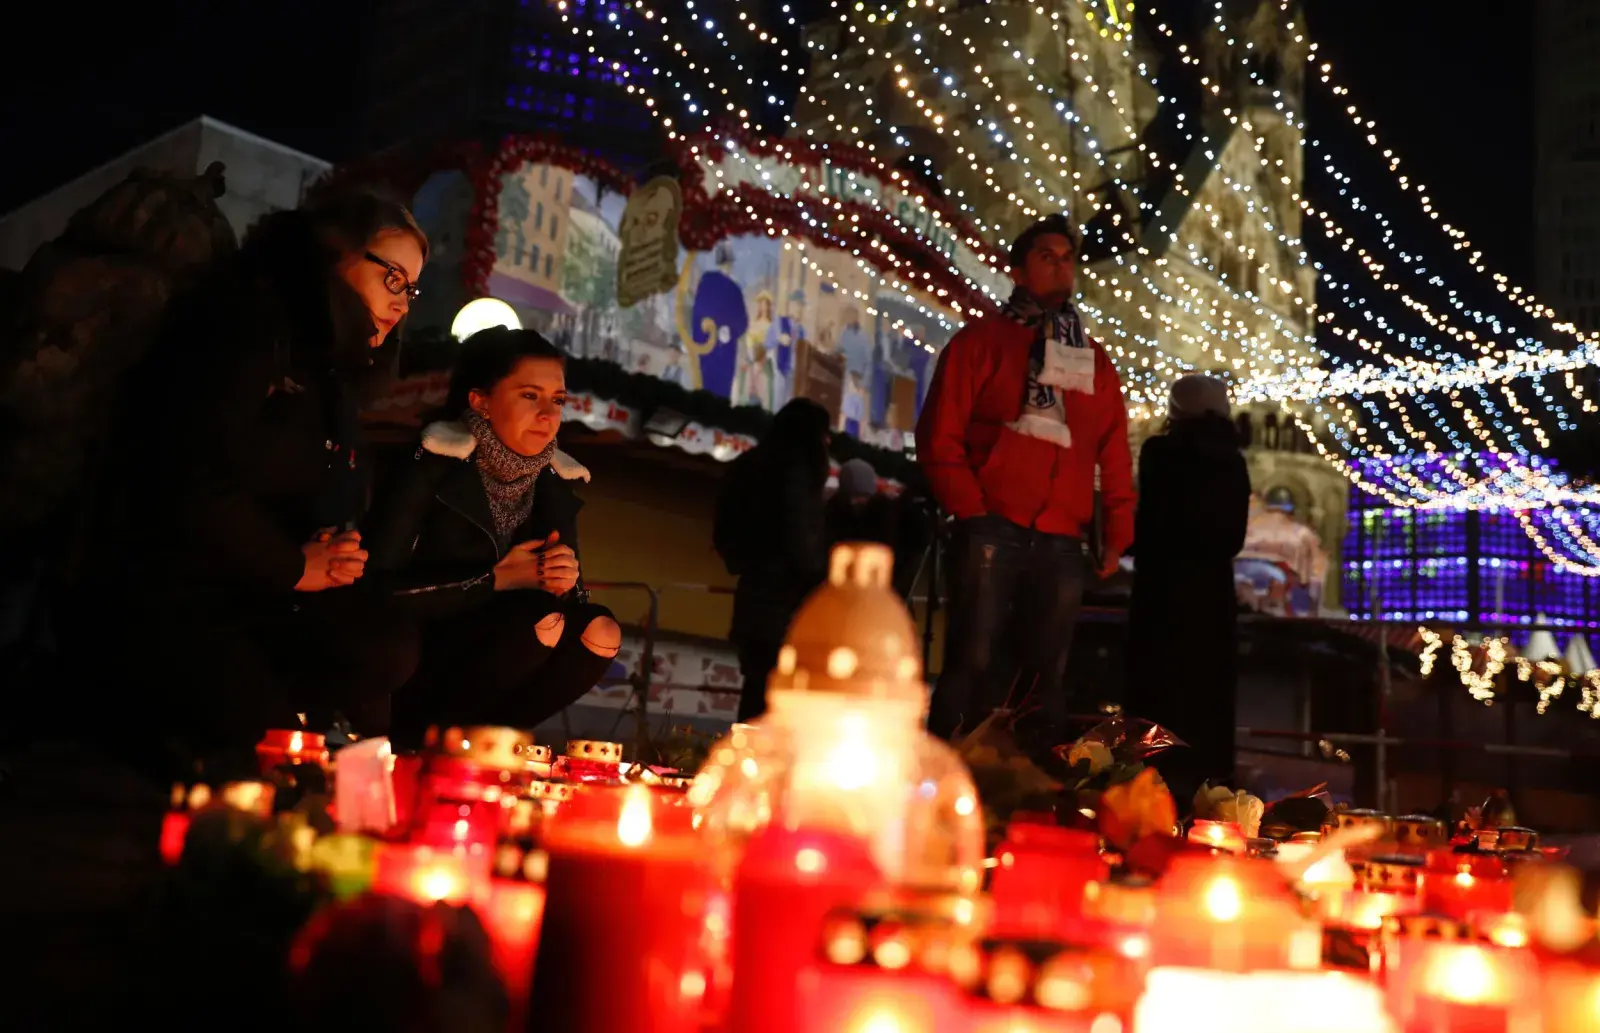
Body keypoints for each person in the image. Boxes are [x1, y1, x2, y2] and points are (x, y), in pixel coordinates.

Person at [69, 191, 430, 778]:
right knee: (270, 756)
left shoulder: (331, 368)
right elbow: (185, 480)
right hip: (175, 586)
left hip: (259, 586)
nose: (402, 305)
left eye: (411, 290)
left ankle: (352, 775)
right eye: (393, 278)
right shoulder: (247, 327)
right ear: (333, 252)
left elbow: (321, 479)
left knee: (383, 643)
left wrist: (334, 551)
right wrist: (294, 564)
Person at [915, 212, 1135, 745]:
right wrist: (970, 508)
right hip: (990, 524)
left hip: (1061, 537)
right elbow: (939, 433)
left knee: (1045, 678)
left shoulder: (1093, 362)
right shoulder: (982, 342)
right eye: (1046, 257)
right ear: (1017, 270)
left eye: (1068, 259)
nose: (1061, 267)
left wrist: (1118, 530)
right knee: (972, 662)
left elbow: (1113, 448)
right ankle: (945, 783)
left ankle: (1035, 798)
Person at [364, 328, 621, 745]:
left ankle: (492, 743)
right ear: (480, 401)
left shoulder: (555, 481)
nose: (548, 414)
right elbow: (374, 591)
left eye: (557, 400)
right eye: (529, 395)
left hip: (507, 653)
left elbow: (565, 605)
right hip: (417, 652)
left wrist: (564, 581)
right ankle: (428, 741)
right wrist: (495, 578)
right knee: (539, 621)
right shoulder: (428, 466)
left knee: (599, 632)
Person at [1125, 375, 1251, 797]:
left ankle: (1147, 790)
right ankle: (1208, 797)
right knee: (1208, 698)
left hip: (1161, 588)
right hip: (1212, 592)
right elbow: (1233, 537)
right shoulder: (1233, 461)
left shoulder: (1159, 453)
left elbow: (1148, 522)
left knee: (1156, 691)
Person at [713, 398, 832, 721]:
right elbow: (797, 533)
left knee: (756, 690)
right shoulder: (798, 469)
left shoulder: (750, 463)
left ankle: (748, 763)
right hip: (787, 600)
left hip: (753, 593)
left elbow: (724, 531)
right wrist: (817, 578)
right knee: (781, 698)